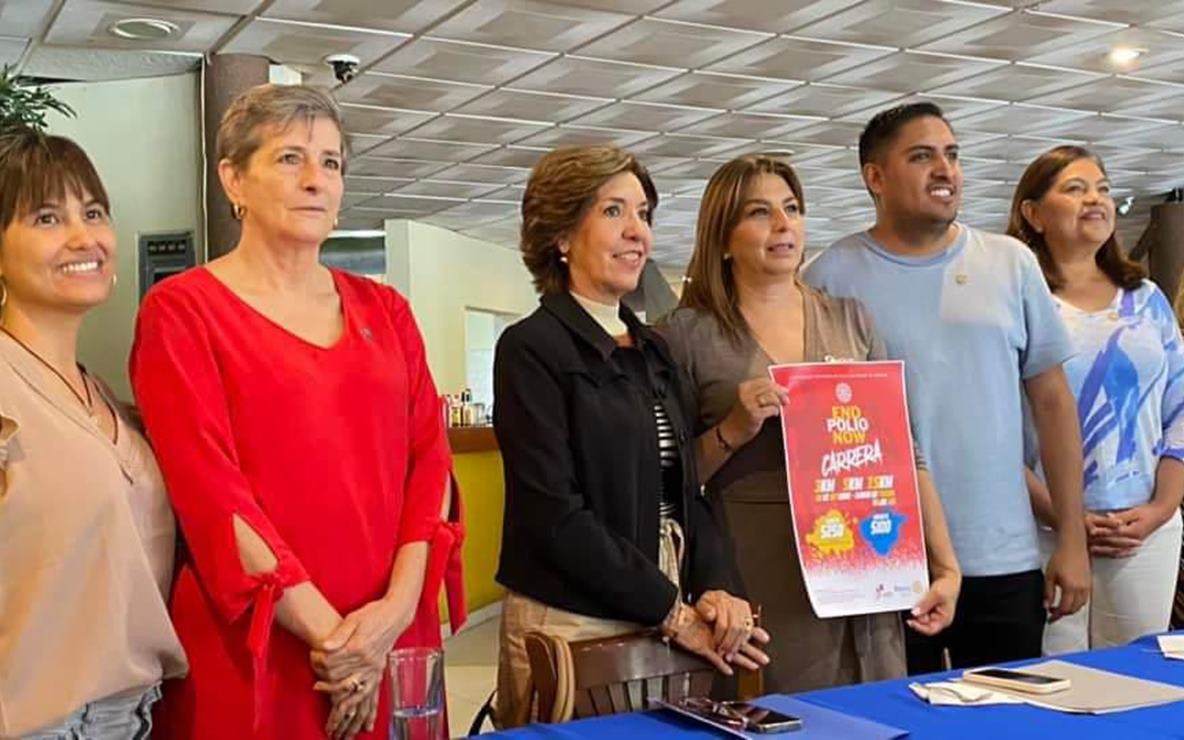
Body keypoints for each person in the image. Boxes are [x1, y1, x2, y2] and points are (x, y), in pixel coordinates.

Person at [130, 84, 462, 739]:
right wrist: (337, 644)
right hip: (266, 647)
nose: (316, 180)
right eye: (290, 159)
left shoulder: (387, 312)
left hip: (392, 637)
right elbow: (211, 494)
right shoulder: (182, 313)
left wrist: (389, 620)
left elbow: (430, 464)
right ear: (234, 178)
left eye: (332, 163)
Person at [802, 102, 1091, 673]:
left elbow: (1054, 406)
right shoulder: (829, 277)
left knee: (1007, 723)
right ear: (875, 177)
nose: (945, 169)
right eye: (922, 156)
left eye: (952, 155)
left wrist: (1072, 539)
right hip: (885, 559)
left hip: (1003, 555)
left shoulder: (1010, 263)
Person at [660, 154, 961, 693]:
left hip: (865, 559)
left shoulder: (850, 319)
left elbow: (904, 453)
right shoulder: (686, 335)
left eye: (792, 208)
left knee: (876, 712)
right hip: (757, 568)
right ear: (723, 238)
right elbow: (672, 479)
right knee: (783, 714)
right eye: (760, 212)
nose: (783, 225)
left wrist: (945, 566)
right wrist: (733, 428)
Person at [493, 145, 770, 727]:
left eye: (643, 213)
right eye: (613, 212)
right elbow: (554, 517)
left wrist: (717, 587)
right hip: (572, 622)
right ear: (563, 236)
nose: (637, 232)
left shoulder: (654, 351)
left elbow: (688, 491)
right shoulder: (530, 349)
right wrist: (675, 614)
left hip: (662, 609)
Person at [0, 128, 187, 737]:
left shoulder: (105, 398)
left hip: (133, 715)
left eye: (94, 212)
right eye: (48, 217)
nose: (85, 237)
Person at [1008, 145, 1184, 653]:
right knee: (1055, 686)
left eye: (1103, 189)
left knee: (1140, 682)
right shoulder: (1018, 301)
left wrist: (1161, 507)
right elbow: (992, 426)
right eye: (1075, 188)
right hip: (1042, 529)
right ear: (1033, 214)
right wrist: (1065, 519)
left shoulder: (1146, 298)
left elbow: (1179, 410)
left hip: (1144, 532)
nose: (1095, 200)